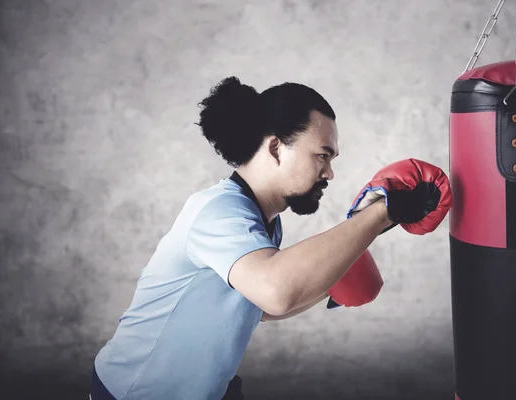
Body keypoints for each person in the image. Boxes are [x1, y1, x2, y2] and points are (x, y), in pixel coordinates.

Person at [90, 76, 444, 400]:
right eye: (322, 155)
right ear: (276, 148)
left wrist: (336, 274)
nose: (330, 172)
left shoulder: (264, 221)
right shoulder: (218, 211)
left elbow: (255, 308)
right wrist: (381, 212)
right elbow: (276, 293)